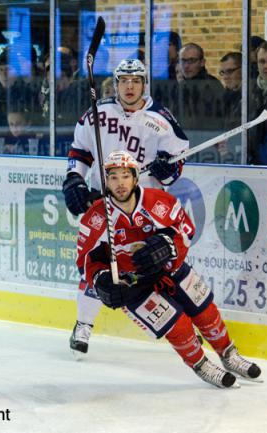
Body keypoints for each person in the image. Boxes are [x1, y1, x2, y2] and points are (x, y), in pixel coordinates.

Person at [77, 149, 262, 388]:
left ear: (135, 177)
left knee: (204, 310)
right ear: (106, 182)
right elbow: (85, 260)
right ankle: (201, 365)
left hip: (169, 269)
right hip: (133, 285)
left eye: (125, 175)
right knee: (178, 325)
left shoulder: (159, 201)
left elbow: (186, 230)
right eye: (113, 177)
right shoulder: (96, 218)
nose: (120, 183)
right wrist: (101, 280)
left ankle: (228, 353)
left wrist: (167, 246)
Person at [63, 58, 189, 356]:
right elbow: (79, 152)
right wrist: (74, 180)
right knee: (98, 264)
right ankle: (84, 324)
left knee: (156, 262)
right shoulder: (98, 112)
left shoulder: (161, 118)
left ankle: (182, 324)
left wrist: (166, 168)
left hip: (144, 206)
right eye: (123, 81)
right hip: (104, 202)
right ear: (116, 83)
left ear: (145, 83)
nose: (129, 86)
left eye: (136, 81)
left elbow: (176, 165)